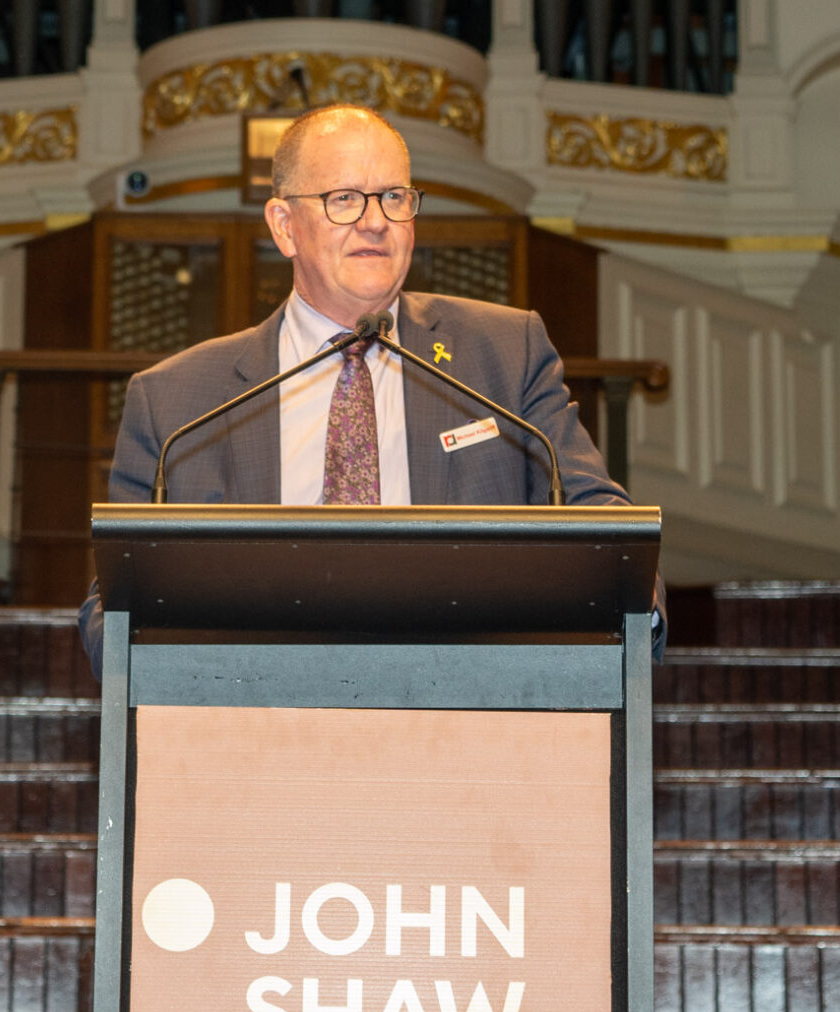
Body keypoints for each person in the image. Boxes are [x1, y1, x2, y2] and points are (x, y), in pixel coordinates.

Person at [82, 103, 645, 663]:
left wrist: (636, 625)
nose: (375, 221)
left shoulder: (504, 353)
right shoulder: (176, 402)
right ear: (284, 227)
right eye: (344, 198)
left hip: (465, 697)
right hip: (257, 702)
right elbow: (114, 608)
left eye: (394, 197)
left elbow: (601, 523)